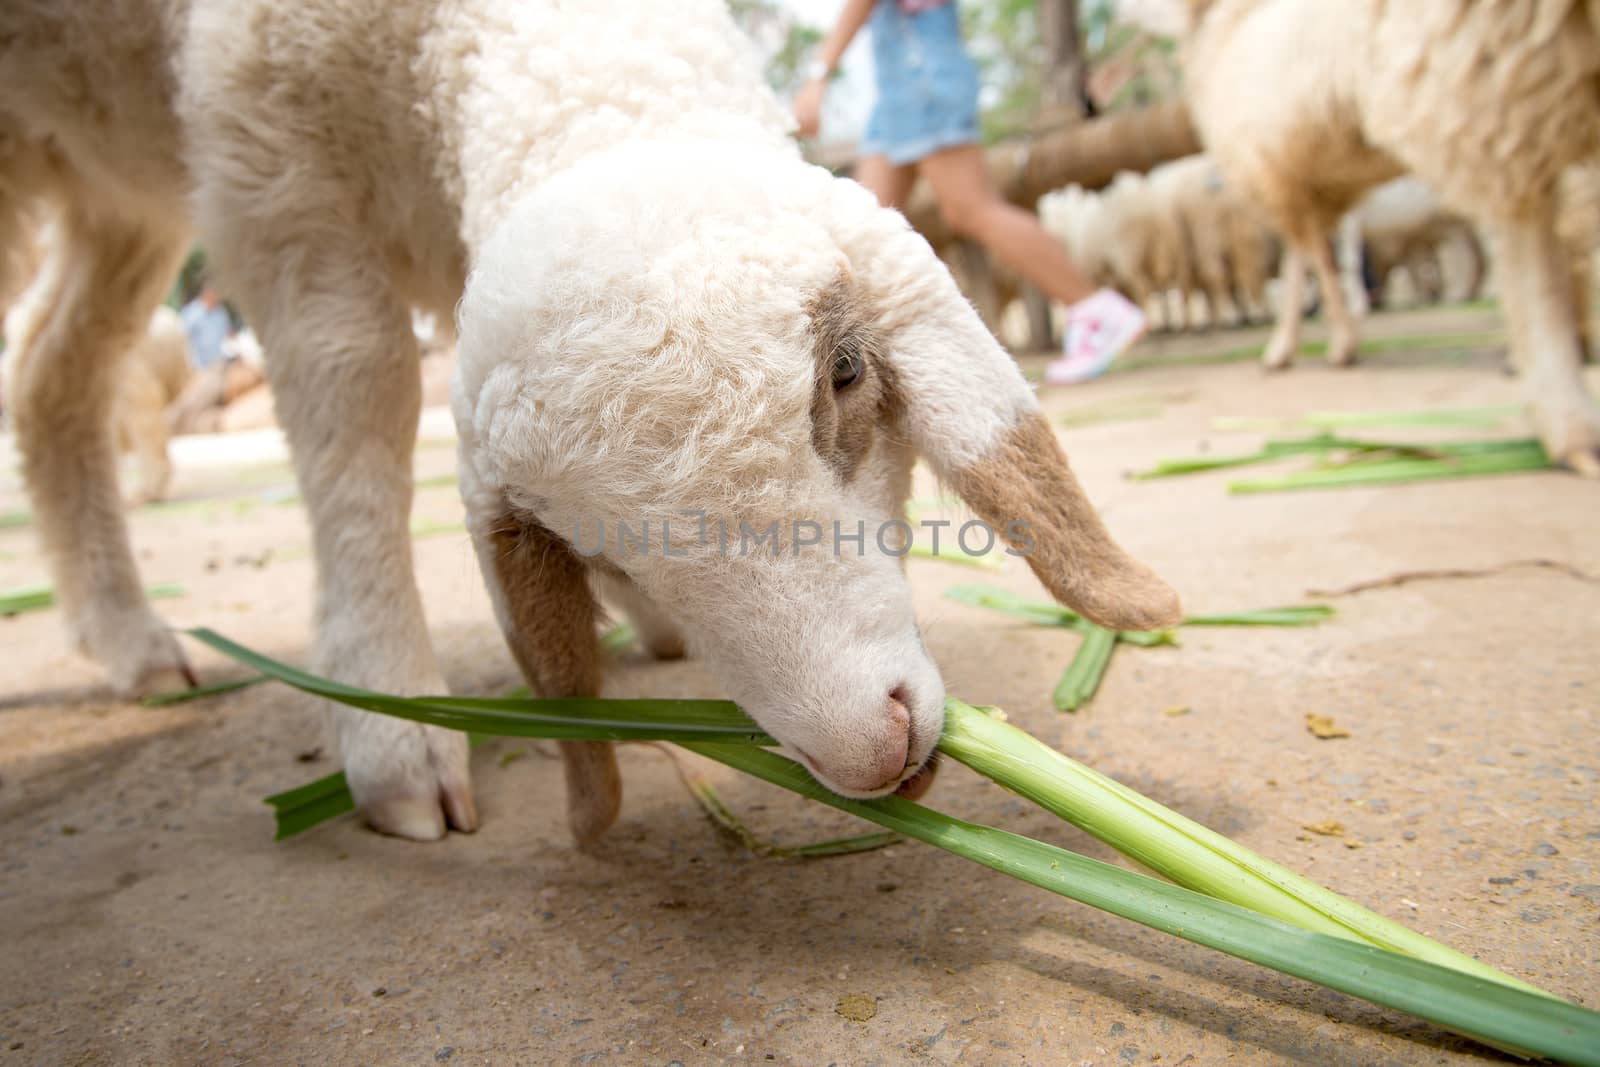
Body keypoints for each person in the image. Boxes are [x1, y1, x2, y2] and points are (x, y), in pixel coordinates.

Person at [793, 0, 1146, 383]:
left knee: (971, 209)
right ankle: (864, 361)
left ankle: (1097, 309)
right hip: (901, 86)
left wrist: (818, 75)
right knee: (858, 225)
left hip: (923, 76)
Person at [178, 279, 233, 371]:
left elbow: (228, 335)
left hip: (218, 367)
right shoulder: (192, 312)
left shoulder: (220, 313)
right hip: (197, 369)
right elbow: (182, 339)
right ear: (207, 292)